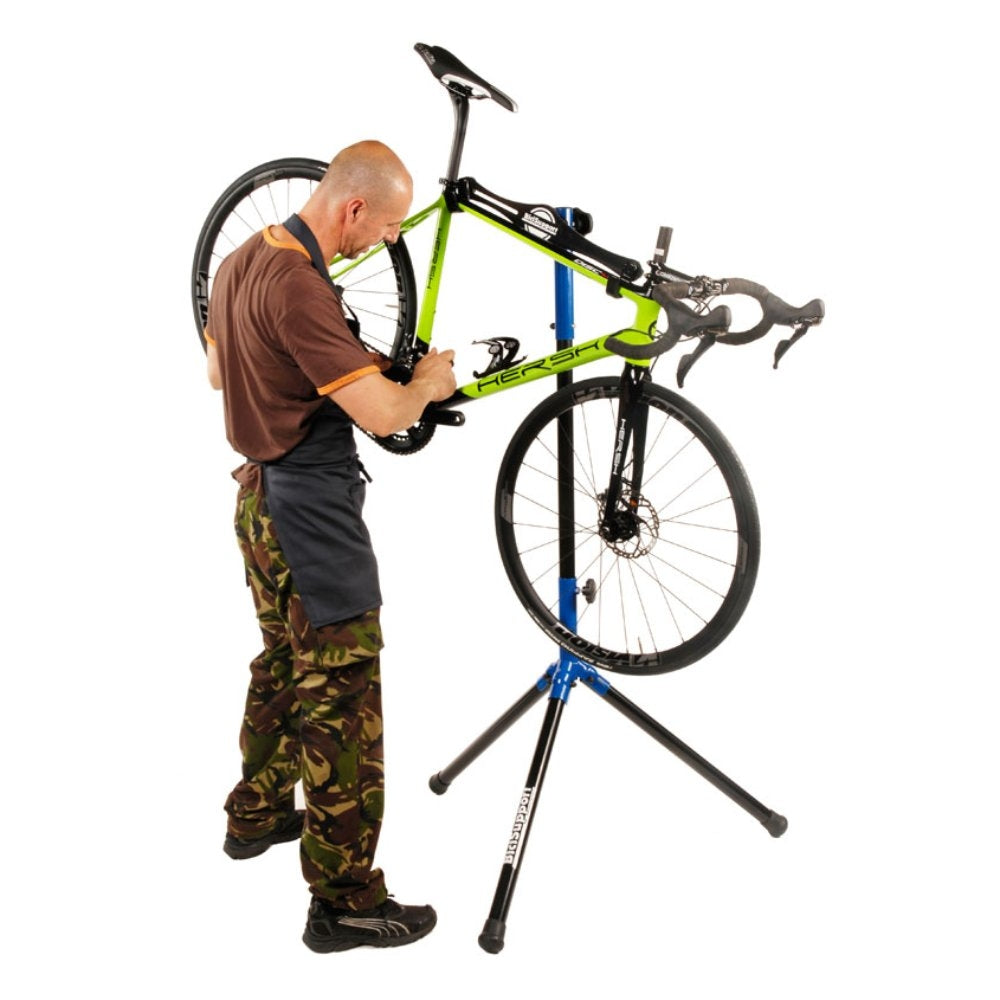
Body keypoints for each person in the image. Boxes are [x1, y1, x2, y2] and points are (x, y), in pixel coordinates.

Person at [204, 140, 456, 952]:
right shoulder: (300, 287)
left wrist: (333, 365)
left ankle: (255, 814)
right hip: (311, 515)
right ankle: (344, 902)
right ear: (352, 207)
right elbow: (384, 416)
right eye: (386, 226)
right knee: (343, 701)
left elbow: (220, 375)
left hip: (258, 505)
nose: (388, 239)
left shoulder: (241, 261)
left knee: (283, 663)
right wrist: (427, 385)